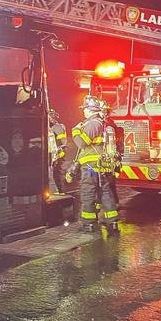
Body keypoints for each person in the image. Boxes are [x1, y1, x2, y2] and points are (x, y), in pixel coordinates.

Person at [65, 94, 120, 234]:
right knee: (105, 192)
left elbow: (82, 143)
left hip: (91, 167)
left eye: (84, 109)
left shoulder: (93, 123)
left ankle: (88, 224)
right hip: (99, 165)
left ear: (90, 109)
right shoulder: (99, 123)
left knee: (88, 192)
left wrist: (75, 131)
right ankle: (112, 222)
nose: (83, 111)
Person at [48, 108, 68, 194]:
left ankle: (61, 192)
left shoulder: (57, 127)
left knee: (57, 174)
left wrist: (60, 154)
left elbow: (63, 143)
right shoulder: (49, 127)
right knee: (54, 175)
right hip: (52, 155)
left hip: (58, 155)